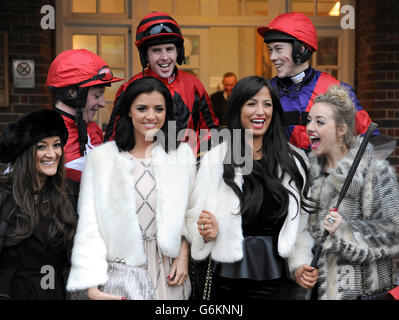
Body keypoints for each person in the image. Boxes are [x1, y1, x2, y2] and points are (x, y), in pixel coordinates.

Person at [185, 76, 318, 300]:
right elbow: (194, 217)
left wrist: (301, 264)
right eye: (251, 104)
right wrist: (208, 232)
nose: (260, 111)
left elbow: (302, 228)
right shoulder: (215, 158)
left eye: (267, 104)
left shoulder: (295, 161)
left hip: (279, 279)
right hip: (227, 280)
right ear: (238, 108)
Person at [66, 77, 195, 300]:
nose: (151, 116)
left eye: (159, 109)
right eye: (142, 108)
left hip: (169, 272)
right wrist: (91, 284)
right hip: (118, 274)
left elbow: (190, 212)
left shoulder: (181, 157)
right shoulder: (102, 158)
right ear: (128, 111)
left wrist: (184, 253)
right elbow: (90, 225)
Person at [305, 85, 399, 300]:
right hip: (318, 291)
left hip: (362, 291)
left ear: (341, 129)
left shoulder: (375, 171)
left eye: (319, 122)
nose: (310, 127)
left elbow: (394, 233)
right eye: (309, 120)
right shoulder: (308, 172)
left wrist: (345, 230)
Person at [257, 12, 377, 151]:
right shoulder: (266, 92)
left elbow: (370, 139)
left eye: (278, 49)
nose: (272, 57)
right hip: (280, 171)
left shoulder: (337, 90)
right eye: (270, 50)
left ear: (300, 50)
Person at [104, 11, 220, 151]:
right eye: (156, 51)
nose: (164, 57)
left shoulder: (194, 85)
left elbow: (211, 132)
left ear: (178, 52)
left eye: (169, 49)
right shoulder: (129, 89)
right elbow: (113, 140)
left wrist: (190, 155)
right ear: (145, 55)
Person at [0, 109, 77, 300]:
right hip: (13, 292)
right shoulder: (4, 194)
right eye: (42, 147)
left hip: (56, 291)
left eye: (56, 145)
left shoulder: (69, 192)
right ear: (27, 152)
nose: (52, 154)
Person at [46, 49, 123, 183]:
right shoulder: (41, 135)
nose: (103, 103)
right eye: (96, 95)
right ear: (73, 92)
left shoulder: (91, 128)